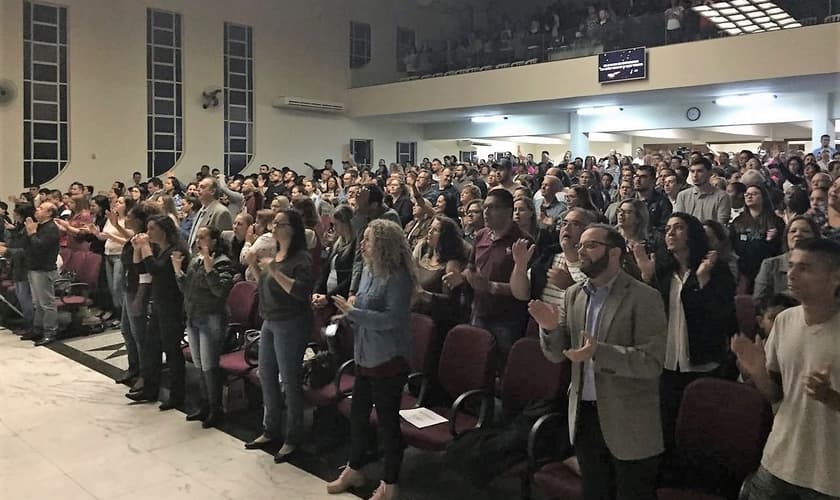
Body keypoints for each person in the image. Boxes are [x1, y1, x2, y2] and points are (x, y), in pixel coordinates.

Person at [530, 224, 667, 500]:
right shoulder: (574, 294)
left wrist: (599, 352)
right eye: (580, 245)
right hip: (584, 414)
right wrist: (549, 329)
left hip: (628, 419)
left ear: (614, 253)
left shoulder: (644, 297)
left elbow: (651, 362)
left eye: (591, 245)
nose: (581, 251)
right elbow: (558, 355)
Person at [733, 238, 840, 499]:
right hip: (778, 461)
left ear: (835, 277)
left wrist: (829, 397)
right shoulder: (784, 320)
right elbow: (776, 395)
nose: (790, 274)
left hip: (829, 477)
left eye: (804, 268)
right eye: (791, 265)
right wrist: (758, 372)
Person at [327, 219, 418, 500]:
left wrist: (354, 314)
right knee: (358, 416)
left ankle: (390, 483)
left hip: (388, 358)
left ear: (384, 244)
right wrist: (349, 311)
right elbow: (364, 308)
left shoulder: (398, 276)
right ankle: (354, 467)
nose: (363, 244)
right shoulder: (368, 268)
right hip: (365, 354)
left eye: (368, 239)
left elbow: (393, 319)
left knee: (388, 423)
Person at [636, 213, 736, 465]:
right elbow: (649, 315)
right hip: (667, 361)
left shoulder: (716, 270)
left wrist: (702, 281)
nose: (670, 233)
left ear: (692, 234)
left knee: (699, 430)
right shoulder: (663, 270)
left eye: (678, 228)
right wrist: (647, 279)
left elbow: (719, 317)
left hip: (702, 361)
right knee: (666, 427)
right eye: (668, 228)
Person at [243, 210, 313, 464]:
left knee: (289, 380)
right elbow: (266, 285)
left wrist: (274, 270)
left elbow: (299, 292)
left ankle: (293, 436)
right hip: (270, 319)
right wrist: (255, 266)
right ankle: (270, 428)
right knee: (266, 374)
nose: (274, 226)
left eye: (280, 223)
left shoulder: (300, 259)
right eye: (274, 222)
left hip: (291, 322)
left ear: (292, 229)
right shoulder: (275, 255)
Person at [444, 188, 531, 362]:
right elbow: (471, 267)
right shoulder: (481, 235)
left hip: (507, 319)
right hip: (479, 310)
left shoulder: (523, 241)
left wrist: (491, 286)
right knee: (477, 362)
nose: (486, 212)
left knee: (503, 366)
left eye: (493, 208)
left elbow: (527, 290)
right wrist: (461, 277)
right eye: (485, 207)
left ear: (508, 211)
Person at [174, 226, 235, 428]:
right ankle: (204, 404)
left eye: (203, 237)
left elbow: (220, 291)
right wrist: (178, 271)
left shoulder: (223, 263)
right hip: (194, 316)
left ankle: (216, 408)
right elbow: (187, 290)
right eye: (197, 237)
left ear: (214, 241)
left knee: (209, 365)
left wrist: (209, 268)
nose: (198, 241)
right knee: (199, 364)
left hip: (211, 318)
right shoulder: (195, 260)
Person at [128, 215, 189, 410]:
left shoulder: (176, 250)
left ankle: (177, 395)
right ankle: (149, 388)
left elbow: (157, 270)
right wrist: (138, 249)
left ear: (164, 230)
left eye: (152, 229)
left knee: (172, 351)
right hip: (159, 304)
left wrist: (144, 246)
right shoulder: (159, 249)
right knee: (151, 347)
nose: (149, 232)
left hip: (172, 306)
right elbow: (141, 268)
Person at [730, 184, 786, 292]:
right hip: (743, 271)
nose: (749, 196)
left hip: (768, 270)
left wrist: (771, 240)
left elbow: (781, 248)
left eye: (754, 194)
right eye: (747, 194)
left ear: (763, 197)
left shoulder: (776, 222)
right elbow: (732, 246)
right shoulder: (738, 222)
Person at [753, 215, 821, 304]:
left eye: (805, 231)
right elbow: (759, 301)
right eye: (793, 231)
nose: (798, 234)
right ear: (786, 237)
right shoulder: (770, 265)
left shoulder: (824, 266)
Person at [21, 202, 60, 345]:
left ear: (49, 213)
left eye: (41, 208)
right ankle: (38, 329)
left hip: (44, 269)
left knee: (47, 303)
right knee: (37, 302)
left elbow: (39, 247)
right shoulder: (39, 226)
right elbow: (26, 245)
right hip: (33, 267)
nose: (37, 209)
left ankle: (50, 332)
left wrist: (32, 233)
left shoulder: (51, 229)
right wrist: (28, 231)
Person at [673, 157, 731, 226]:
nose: (695, 175)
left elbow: (721, 226)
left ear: (710, 173)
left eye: (699, 171)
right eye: (692, 171)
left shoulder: (722, 196)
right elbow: (678, 222)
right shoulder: (682, 195)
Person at [187, 177, 234, 252]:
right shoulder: (200, 210)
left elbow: (223, 244)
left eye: (202, 187)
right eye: (198, 186)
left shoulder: (221, 212)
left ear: (212, 191)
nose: (198, 189)